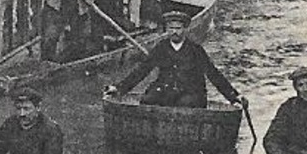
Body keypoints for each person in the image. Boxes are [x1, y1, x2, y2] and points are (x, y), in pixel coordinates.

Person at [103, 9, 242, 108]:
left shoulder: (196, 50)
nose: (174, 32)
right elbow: (142, 70)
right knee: (147, 100)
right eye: (171, 28)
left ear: (185, 29)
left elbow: (213, 74)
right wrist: (119, 88)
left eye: (178, 28)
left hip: (190, 92)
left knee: (185, 105)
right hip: (166, 90)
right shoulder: (161, 47)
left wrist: (233, 96)